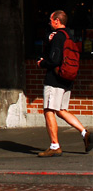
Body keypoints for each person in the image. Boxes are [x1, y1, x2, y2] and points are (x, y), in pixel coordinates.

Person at [37, 10, 91, 157]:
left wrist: (42, 63)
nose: (49, 23)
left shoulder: (58, 37)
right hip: (67, 78)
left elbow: (54, 60)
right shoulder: (69, 35)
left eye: (50, 20)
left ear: (56, 21)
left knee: (49, 110)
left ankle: (55, 146)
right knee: (61, 110)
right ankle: (85, 133)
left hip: (55, 79)